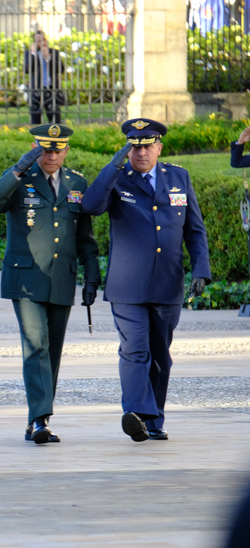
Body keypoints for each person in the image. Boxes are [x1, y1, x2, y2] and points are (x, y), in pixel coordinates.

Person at [81, 119, 211, 442]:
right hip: (127, 285)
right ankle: (136, 413)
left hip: (167, 283)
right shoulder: (118, 178)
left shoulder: (178, 177)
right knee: (135, 350)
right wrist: (113, 164)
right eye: (134, 146)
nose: (140, 152)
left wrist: (201, 270)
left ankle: (153, 419)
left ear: (159, 147)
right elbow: (91, 205)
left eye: (146, 145)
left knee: (160, 356)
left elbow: (194, 229)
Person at [0, 125, 100, 444]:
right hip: (25, 277)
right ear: (36, 148)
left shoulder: (77, 182)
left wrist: (92, 275)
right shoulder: (22, 179)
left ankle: (40, 416)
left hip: (62, 277)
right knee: (36, 344)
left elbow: (84, 236)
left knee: (53, 351)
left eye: (57, 150)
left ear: (66, 151)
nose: (52, 156)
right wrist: (18, 168)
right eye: (45, 150)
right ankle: (39, 419)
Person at [24, 31, 66, 124]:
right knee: (36, 121)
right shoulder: (29, 53)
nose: (42, 43)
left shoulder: (53, 52)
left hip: (51, 90)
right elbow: (27, 69)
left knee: (55, 121)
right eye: (39, 41)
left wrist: (48, 58)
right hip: (36, 90)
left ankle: (55, 136)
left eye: (43, 40)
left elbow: (61, 69)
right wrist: (34, 54)